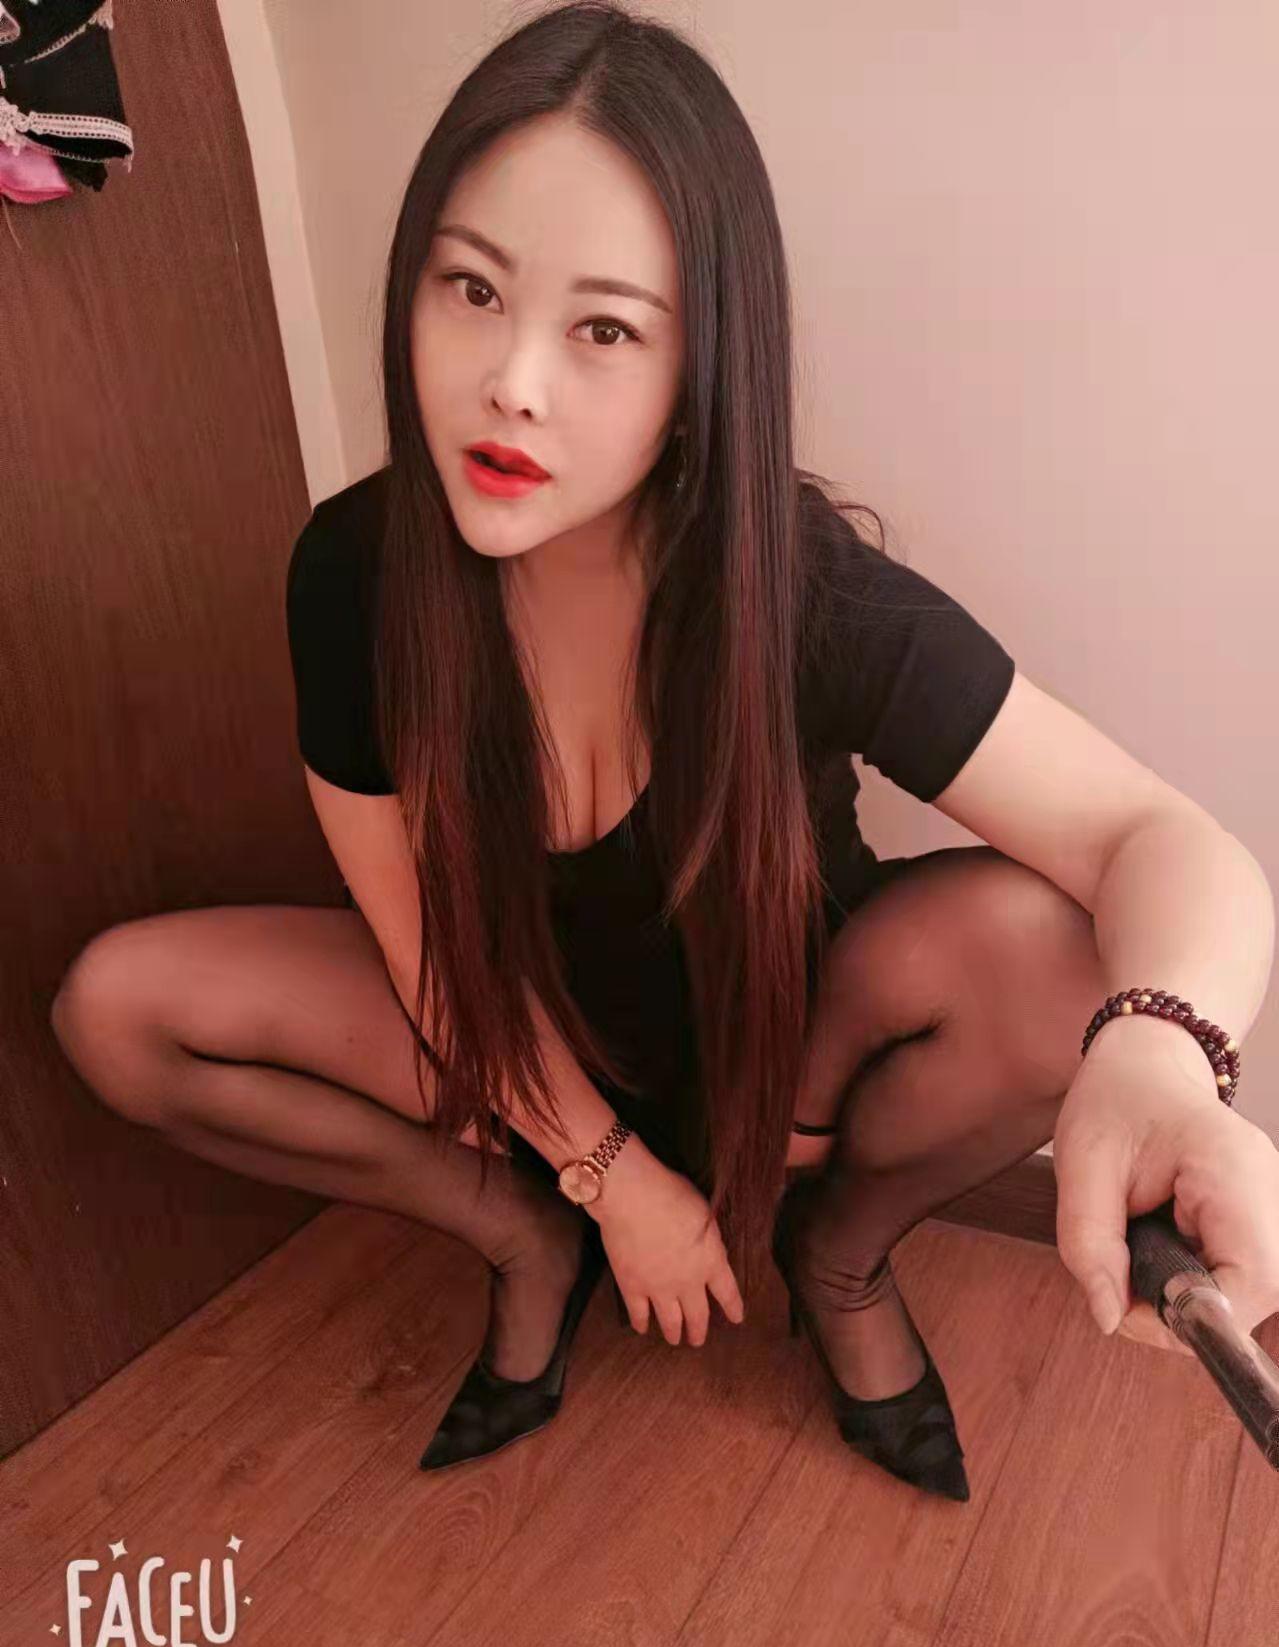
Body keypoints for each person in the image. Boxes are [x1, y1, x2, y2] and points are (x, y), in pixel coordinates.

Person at [51, 3, 1271, 1502]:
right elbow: (421, 937)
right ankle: (518, 1234)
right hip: (516, 1030)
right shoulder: (354, 572)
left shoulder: (799, 590)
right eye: (471, 288)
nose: (513, 381)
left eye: (605, 329)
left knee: (1072, 953)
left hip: (790, 1055)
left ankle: (837, 1256)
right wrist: (600, 1180)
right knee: (117, 1012)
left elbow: (1161, 838)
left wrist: (1163, 1053)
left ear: (703, 363)